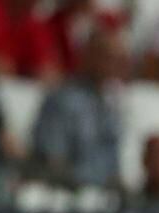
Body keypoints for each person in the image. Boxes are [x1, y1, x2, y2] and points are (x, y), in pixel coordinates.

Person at [29, 25, 128, 188]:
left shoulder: (111, 105)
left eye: (118, 59)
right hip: (68, 197)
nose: (114, 65)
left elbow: (113, 166)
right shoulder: (61, 100)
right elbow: (53, 163)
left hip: (105, 199)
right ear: (88, 56)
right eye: (107, 57)